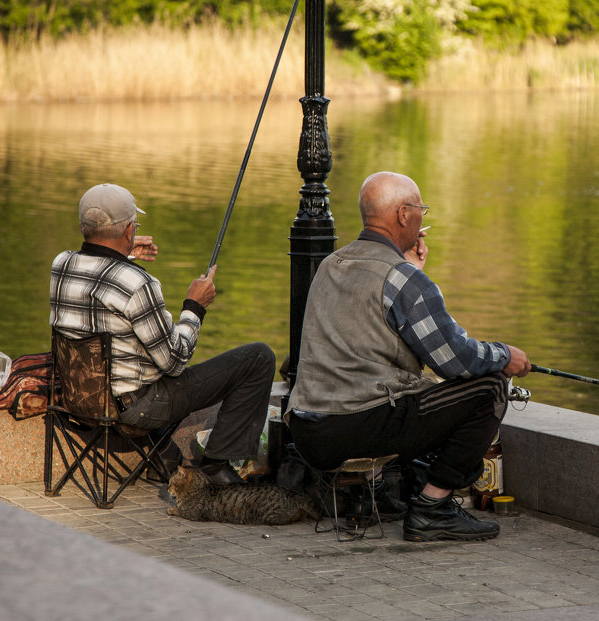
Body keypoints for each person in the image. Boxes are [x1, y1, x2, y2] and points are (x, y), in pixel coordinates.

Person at [286, 171, 531, 541]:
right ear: (403, 214)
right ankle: (432, 508)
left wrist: (410, 272)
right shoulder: (404, 280)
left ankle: (373, 495)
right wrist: (504, 354)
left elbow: (365, 342)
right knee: (491, 386)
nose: (421, 220)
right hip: (356, 429)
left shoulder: (329, 265)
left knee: (382, 384)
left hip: (308, 433)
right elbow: (455, 361)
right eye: (420, 210)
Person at [49, 183, 276, 485]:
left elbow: (97, 280)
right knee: (258, 357)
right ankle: (216, 465)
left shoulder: (61, 265)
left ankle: (167, 455)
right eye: (134, 227)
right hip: (134, 412)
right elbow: (174, 362)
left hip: (78, 402)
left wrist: (124, 255)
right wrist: (194, 307)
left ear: (82, 227)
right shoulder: (139, 284)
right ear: (129, 230)